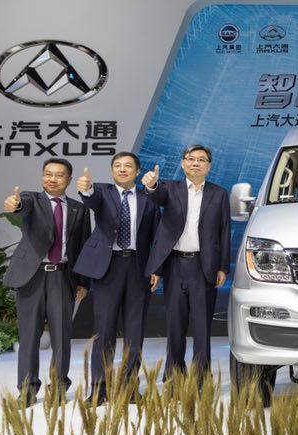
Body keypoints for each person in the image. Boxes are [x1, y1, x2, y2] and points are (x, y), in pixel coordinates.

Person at [3, 158, 90, 406]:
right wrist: (15, 204)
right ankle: (27, 390)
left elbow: (83, 246)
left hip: (62, 277)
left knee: (62, 337)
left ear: (69, 179)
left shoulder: (79, 209)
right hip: (32, 277)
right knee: (29, 337)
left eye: (59, 175)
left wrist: (83, 282)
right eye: (48, 174)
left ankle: (59, 387)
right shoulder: (32, 199)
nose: (52, 179)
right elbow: (20, 206)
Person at [74, 152, 160, 404]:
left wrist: (156, 269)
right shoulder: (102, 191)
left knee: (135, 331)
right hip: (108, 267)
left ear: (137, 171)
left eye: (128, 166)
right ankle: (98, 389)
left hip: (138, 267)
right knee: (104, 330)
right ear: (112, 170)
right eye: (118, 166)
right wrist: (86, 188)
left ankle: (130, 388)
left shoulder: (148, 199)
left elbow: (156, 236)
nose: (122, 169)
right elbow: (91, 199)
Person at [141, 145, 231, 381]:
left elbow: (224, 231)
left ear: (209, 166)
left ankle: (201, 380)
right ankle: (174, 378)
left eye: (201, 160)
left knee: (202, 327)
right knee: (175, 325)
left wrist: (223, 267)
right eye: (190, 159)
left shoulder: (219, 194)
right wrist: (151, 185)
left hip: (204, 266)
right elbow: (156, 195)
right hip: (174, 265)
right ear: (183, 164)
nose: (195, 163)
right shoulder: (169, 188)